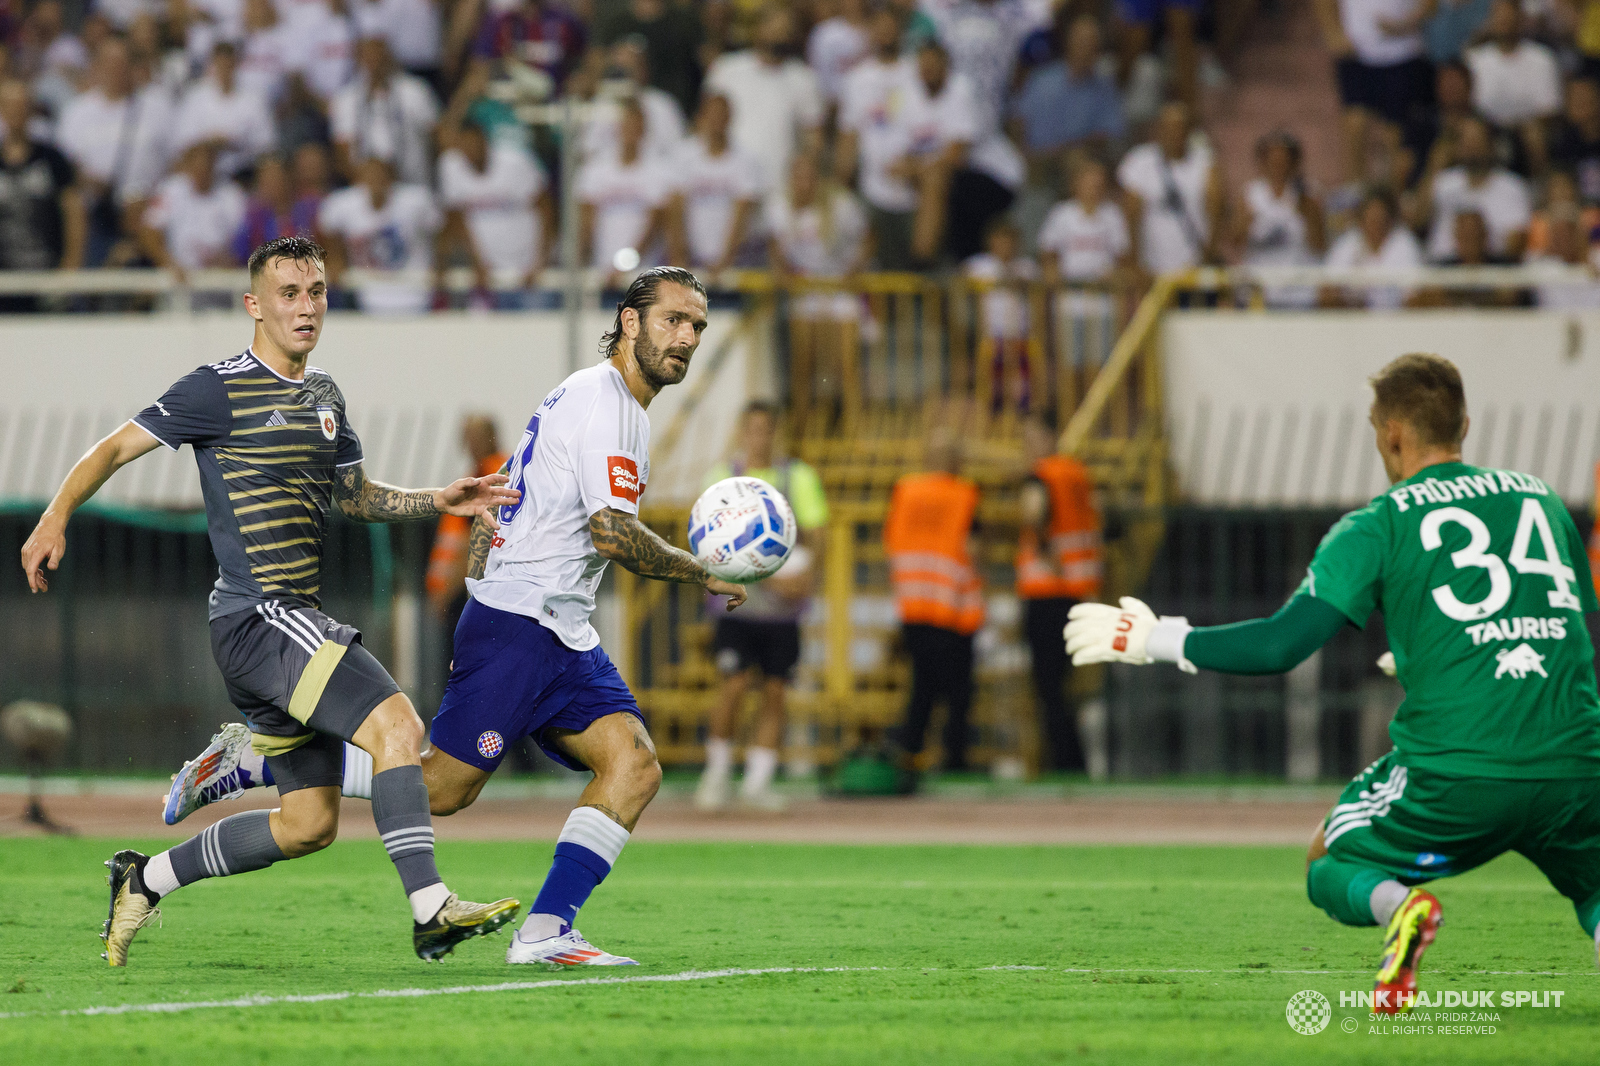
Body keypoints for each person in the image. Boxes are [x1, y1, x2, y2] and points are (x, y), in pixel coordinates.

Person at [167, 267, 747, 968]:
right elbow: (610, 533)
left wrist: (479, 580)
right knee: (441, 789)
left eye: (696, 327)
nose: (685, 338)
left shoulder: (602, 397)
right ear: (630, 322)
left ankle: (546, 932)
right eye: (672, 321)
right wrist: (697, 570)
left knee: (634, 765)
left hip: (557, 629)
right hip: (521, 628)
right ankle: (254, 759)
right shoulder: (609, 405)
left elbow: (505, 485)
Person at [19, 236, 521, 967]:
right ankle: (431, 908)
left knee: (308, 824)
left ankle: (145, 876)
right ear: (255, 305)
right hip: (261, 616)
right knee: (397, 725)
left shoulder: (324, 397)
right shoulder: (215, 387)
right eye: (289, 293)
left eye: (316, 291)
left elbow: (356, 496)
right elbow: (113, 449)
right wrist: (56, 514)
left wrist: (437, 498)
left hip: (279, 626)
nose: (306, 306)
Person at [1066, 352, 1600, 1012]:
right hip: (1578, 761)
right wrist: (1433, 656)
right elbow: (1570, 626)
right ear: (1464, 423)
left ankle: (1401, 909)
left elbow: (1279, 645)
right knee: (1595, 883)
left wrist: (1152, 639)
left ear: (1390, 433)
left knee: (1329, 857)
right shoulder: (1542, 500)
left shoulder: (1378, 524)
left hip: (1461, 772)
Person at [694, 401, 829, 811]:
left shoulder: (797, 477)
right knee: (733, 686)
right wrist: (765, 576)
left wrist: (808, 581)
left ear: (776, 432)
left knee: (775, 691)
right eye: (752, 429)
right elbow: (705, 543)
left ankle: (758, 780)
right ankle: (716, 774)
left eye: (767, 429)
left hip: (782, 612)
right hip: (737, 608)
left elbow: (818, 534)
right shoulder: (723, 479)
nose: (760, 437)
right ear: (742, 432)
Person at [883, 427, 984, 774]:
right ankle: (953, 759)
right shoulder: (963, 493)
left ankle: (909, 753)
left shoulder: (905, 490)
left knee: (922, 685)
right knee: (957, 691)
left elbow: (892, 542)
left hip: (914, 604)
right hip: (953, 607)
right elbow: (973, 548)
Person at [1017, 413, 1101, 773]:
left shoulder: (1042, 476)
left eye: (1030, 438)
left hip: (1046, 592)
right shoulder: (1077, 475)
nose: (1027, 448)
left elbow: (1034, 515)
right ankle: (1072, 759)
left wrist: (1045, 552)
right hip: (1078, 592)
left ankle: (1066, 762)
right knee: (1066, 686)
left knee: (1048, 687)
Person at [703, 3, 824, 191]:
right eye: (775, 29)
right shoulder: (727, 69)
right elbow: (705, 122)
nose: (780, 36)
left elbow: (813, 136)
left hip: (779, 184)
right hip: (729, 183)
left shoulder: (802, 78)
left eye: (786, 31)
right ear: (758, 29)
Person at [1314, 0, 1437, 182]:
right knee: (1355, 125)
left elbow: (1431, 5)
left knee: (1394, 134)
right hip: (1356, 53)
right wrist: (1332, 31)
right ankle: (1355, 189)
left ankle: (1393, 193)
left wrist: (1406, 24)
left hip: (1401, 53)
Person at [436, 118, 554, 302]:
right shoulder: (451, 167)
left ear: (485, 141)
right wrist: (476, 262)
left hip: (526, 270)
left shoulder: (515, 162)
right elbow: (456, 221)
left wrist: (540, 262)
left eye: (475, 143)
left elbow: (546, 210)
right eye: (465, 145)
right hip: (488, 274)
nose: (471, 150)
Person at [835, 4, 917, 270]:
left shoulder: (915, 72)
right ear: (870, 31)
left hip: (915, 184)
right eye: (879, 28)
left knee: (915, 263)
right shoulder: (858, 78)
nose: (885, 35)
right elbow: (849, 132)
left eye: (890, 29)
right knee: (881, 263)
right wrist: (843, 181)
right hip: (873, 186)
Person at [318, 155, 442, 314]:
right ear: (360, 179)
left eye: (381, 176)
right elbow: (326, 230)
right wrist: (335, 258)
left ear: (391, 179)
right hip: (368, 297)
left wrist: (439, 262)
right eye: (370, 176)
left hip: (415, 294)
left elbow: (444, 228)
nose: (376, 181)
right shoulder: (342, 205)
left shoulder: (416, 201)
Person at [426, 415, 507, 648]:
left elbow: (475, 540)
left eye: (473, 437)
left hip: (466, 591)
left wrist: (448, 590)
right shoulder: (481, 471)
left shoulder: (489, 476)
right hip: (463, 589)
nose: (468, 444)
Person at [1116, 101, 1222, 274]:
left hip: (1194, 265)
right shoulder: (1139, 161)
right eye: (1169, 127)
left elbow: (1216, 209)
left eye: (1180, 127)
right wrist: (1135, 261)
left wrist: (1208, 255)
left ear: (1189, 131)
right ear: (1159, 129)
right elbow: (1131, 214)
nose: (1175, 133)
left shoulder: (1204, 162)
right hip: (1153, 267)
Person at [667, 93, 763, 273]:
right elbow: (675, 209)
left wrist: (726, 259)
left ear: (730, 118)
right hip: (691, 260)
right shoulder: (683, 156)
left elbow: (743, 213)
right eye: (712, 115)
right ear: (702, 117)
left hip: (732, 262)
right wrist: (680, 254)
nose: (716, 121)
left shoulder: (746, 161)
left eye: (721, 115)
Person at [0, 77, 85, 276]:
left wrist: (71, 264)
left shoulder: (53, 159)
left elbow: (74, 212)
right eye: (10, 106)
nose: (16, 112)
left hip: (47, 270)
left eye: (21, 105)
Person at [576, 98, 669, 279]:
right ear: (618, 127)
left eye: (636, 126)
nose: (631, 132)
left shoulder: (659, 172)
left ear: (644, 130)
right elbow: (586, 222)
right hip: (602, 269)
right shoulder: (596, 170)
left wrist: (625, 264)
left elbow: (655, 224)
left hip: (644, 272)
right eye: (627, 125)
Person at [331, 36, 440, 187]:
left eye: (379, 56)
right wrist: (374, 183)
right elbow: (343, 154)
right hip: (369, 191)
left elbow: (437, 136)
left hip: (413, 186)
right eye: (369, 57)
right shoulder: (346, 99)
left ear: (389, 58)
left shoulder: (415, 90)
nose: (374, 63)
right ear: (359, 61)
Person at [1235, 131, 1326, 308]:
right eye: (1273, 160)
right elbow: (1236, 242)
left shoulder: (1308, 194)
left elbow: (1320, 245)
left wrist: (1308, 213)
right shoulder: (1250, 194)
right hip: (1260, 290)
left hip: (1298, 292)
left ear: (1293, 163)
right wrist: (1245, 224)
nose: (1278, 166)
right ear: (1263, 162)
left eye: (1283, 161)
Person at [1422, 115, 1531, 262]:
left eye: (1476, 141)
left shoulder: (1512, 187)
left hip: (1492, 269)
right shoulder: (1443, 182)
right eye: (1466, 141)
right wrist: (1434, 166)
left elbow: (1517, 243)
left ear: (1490, 145)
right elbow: (1417, 221)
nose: (1471, 148)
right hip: (1443, 271)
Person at [136, 141, 247, 279]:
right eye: (197, 166)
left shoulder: (231, 194)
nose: (202, 171)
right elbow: (148, 231)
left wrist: (230, 257)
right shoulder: (171, 189)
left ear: (214, 165)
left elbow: (245, 237)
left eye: (207, 165)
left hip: (219, 279)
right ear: (188, 166)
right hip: (180, 277)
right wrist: (168, 263)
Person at [172, 40, 276, 179]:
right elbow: (183, 143)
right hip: (203, 174)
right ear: (213, 64)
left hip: (244, 173)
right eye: (221, 64)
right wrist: (210, 142)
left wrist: (235, 142)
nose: (225, 69)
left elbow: (266, 143)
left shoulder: (253, 99)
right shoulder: (196, 97)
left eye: (229, 64)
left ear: (236, 64)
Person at [1321, 188, 1425, 309]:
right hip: (1354, 320)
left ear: (1390, 219)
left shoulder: (1404, 243)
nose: (1375, 224)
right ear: (1362, 219)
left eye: (1380, 218)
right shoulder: (1349, 242)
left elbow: (1414, 294)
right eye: (1371, 218)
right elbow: (1328, 285)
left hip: (1395, 320)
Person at [231, 155, 319, 264]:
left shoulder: (309, 210)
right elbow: (237, 254)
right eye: (265, 181)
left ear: (288, 178)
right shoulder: (254, 219)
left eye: (276, 178)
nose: (271, 186)